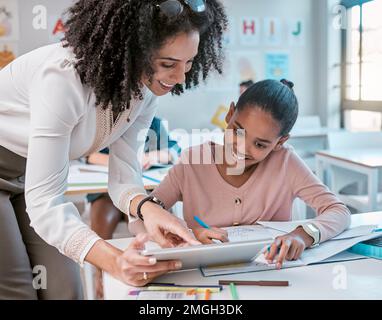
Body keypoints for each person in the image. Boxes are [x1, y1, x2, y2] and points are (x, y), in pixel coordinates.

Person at [0, 0, 227, 299]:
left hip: (29, 173)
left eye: (189, 63)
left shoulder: (144, 94)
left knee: (65, 289)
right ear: (133, 49)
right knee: (18, 290)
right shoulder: (62, 78)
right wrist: (116, 263)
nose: (180, 78)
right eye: (168, 64)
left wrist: (148, 209)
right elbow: (44, 205)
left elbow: (123, 177)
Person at [130, 79, 351, 269]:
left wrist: (303, 234)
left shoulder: (285, 162)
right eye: (238, 131)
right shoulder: (192, 161)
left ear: (280, 142)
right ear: (229, 114)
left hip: (272, 273)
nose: (243, 148)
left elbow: (338, 211)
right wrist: (188, 234)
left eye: (260, 144)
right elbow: (141, 220)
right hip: (204, 275)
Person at [86, 116, 181, 299]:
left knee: (154, 220)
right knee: (103, 218)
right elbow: (91, 156)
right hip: (106, 193)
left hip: (144, 193)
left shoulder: (153, 122)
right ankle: (101, 273)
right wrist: (123, 163)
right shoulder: (106, 120)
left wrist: (151, 156)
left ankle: (155, 271)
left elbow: (174, 150)